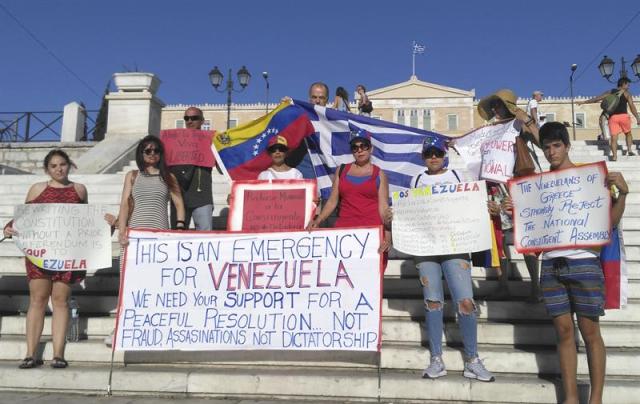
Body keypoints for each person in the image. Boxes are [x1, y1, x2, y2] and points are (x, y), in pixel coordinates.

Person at [534, 122, 627, 404]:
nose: (551, 152)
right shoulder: (536, 187)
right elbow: (533, 230)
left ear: (567, 145)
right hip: (550, 263)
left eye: (556, 145)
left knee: (589, 331)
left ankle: (595, 398)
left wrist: (622, 194)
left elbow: (609, 223)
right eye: (547, 147)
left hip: (585, 261)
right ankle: (571, 398)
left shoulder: (591, 178)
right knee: (563, 331)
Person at [406, 136, 495, 382]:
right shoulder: (416, 179)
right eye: (428, 153)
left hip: (456, 246)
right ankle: (436, 358)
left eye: (437, 152)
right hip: (426, 248)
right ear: (423, 156)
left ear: (445, 154)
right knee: (432, 302)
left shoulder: (458, 176)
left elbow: (472, 204)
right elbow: (410, 212)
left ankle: (473, 360)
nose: (433, 157)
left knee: (465, 301)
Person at [3, 150, 88, 369]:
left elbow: (85, 223)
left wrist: (106, 226)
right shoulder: (37, 188)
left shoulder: (79, 189)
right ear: (47, 169)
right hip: (40, 253)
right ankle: (31, 353)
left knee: (61, 301)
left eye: (62, 164)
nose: (59, 169)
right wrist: (11, 227)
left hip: (67, 253)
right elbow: (24, 218)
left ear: (69, 165)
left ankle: (58, 354)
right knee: (38, 300)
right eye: (54, 166)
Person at [105, 136, 185, 347]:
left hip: (159, 235)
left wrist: (178, 227)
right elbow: (124, 204)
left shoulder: (169, 178)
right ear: (141, 153)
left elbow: (179, 204)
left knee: (155, 283)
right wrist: (122, 231)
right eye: (147, 151)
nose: (152, 154)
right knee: (128, 283)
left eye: (156, 150)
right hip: (135, 235)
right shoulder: (132, 176)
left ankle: (154, 326)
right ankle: (121, 326)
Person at [477, 89, 542, 302]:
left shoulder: (519, 125)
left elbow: (541, 141)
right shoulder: (491, 130)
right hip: (495, 187)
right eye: (493, 106)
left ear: (508, 106)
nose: (495, 109)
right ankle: (503, 284)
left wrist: (526, 119)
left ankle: (535, 286)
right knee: (500, 238)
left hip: (519, 186)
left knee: (526, 238)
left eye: (498, 105)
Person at [307, 134, 391, 256]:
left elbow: (384, 208)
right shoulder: (341, 170)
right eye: (355, 147)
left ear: (371, 148)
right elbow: (332, 201)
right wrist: (318, 220)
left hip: (373, 231)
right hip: (344, 231)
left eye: (363, 146)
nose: (359, 150)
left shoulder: (380, 174)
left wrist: (387, 237)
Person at [168, 107, 214, 230]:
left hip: (202, 197)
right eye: (186, 118)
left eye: (194, 118)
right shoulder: (174, 142)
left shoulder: (210, 142)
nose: (190, 121)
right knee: (177, 237)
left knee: (205, 238)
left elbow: (221, 166)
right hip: (179, 196)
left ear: (202, 121)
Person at [579, 77, 640, 161]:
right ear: (623, 84)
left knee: (614, 138)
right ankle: (629, 150)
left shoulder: (610, 92)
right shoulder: (627, 94)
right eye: (628, 85)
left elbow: (597, 99)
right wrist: (637, 117)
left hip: (613, 118)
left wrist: (584, 102)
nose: (628, 87)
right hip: (623, 116)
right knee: (628, 133)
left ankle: (614, 156)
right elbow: (632, 106)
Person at [284, 82, 329, 179]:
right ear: (309, 99)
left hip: (326, 176)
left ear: (327, 100)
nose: (317, 101)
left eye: (321, 98)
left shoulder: (334, 122)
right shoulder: (299, 117)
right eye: (314, 97)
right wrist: (286, 110)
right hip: (303, 175)